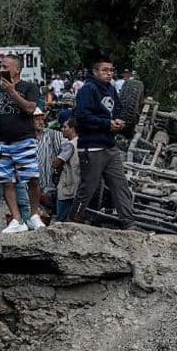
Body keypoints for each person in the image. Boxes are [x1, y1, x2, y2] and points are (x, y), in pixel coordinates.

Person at [70, 55, 135, 229]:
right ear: (95, 71)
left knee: (120, 185)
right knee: (88, 188)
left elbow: (119, 108)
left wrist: (119, 120)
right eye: (104, 70)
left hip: (109, 146)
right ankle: (73, 221)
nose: (109, 73)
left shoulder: (111, 89)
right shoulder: (87, 89)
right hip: (92, 146)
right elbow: (82, 116)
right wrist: (107, 123)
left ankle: (128, 223)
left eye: (111, 70)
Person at [0, 54, 43, 234]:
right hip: (2, 143)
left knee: (32, 178)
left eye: (6, 66)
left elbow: (30, 108)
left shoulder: (29, 87)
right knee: (6, 181)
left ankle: (34, 215)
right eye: (1, 66)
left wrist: (12, 92)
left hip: (24, 139)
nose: (2, 70)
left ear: (17, 69)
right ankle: (16, 219)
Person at [54, 113, 80, 222]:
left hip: (67, 188)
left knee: (61, 219)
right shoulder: (81, 142)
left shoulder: (70, 145)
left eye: (65, 127)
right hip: (77, 186)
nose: (62, 129)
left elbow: (57, 163)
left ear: (72, 129)